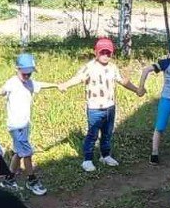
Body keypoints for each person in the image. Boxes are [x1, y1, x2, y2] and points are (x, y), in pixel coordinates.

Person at [59, 38, 145, 172]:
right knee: (92, 134)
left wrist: (137, 90)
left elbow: (123, 81)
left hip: (110, 107)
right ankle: (87, 159)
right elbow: (78, 78)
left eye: (108, 53)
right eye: (102, 52)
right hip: (95, 108)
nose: (105, 56)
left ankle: (105, 155)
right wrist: (66, 85)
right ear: (96, 52)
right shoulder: (90, 67)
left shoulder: (112, 67)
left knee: (107, 133)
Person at [0, 53, 60, 195]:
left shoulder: (30, 83)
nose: (26, 76)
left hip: (25, 125)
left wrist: (57, 85)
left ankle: (9, 179)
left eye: (29, 74)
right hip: (16, 126)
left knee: (19, 153)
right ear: (17, 69)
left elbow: (41, 85)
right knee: (27, 153)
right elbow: (1, 91)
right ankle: (31, 180)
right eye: (24, 73)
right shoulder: (12, 83)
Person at [139, 38, 170, 164]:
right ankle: (154, 153)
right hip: (167, 100)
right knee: (160, 126)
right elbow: (146, 70)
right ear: (169, 53)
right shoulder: (165, 63)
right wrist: (141, 87)